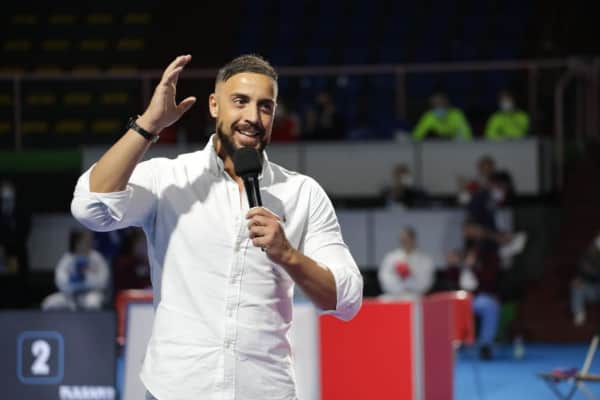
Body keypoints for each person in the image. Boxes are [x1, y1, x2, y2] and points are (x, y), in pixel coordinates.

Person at [71, 54, 363, 400]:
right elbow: (90, 207)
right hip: (176, 390)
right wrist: (149, 124)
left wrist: (288, 255)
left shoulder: (302, 193)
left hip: (265, 391)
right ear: (214, 105)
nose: (252, 117)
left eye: (265, 106)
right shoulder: (170, 178)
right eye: (240, 101)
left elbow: (347, 299)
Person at [440, 249, 500, 360]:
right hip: (456, 300)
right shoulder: (454, 270)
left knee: (490, 305)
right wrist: (452, 266)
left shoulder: (480, 270)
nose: (470, 259)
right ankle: (454, 343)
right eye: (468, 257)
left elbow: (487, 285)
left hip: (474, 299)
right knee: (448, 307)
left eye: (473, 258)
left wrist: (473, 269)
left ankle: (485, 344)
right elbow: (447, 286)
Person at [42, 229, 110, 310]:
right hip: (69, 295)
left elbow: (103, 282)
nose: (86, 244)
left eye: (88, 241)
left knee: (92, 303)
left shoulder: (97, 258)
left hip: (90, 294)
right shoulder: (67, 259)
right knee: (49, 303)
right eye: (83, 241)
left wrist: (87, 276)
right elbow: (60, 282)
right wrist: (73, 279)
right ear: (76, 242)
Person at [378, 227, 434, 298]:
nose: (405, 242)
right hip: (394, 294)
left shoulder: (425, 260)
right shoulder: (391, 258)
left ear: (413, 240)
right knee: (382, 299)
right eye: (403, 240)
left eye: (408, 239)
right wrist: (399, 285)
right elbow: (384, 278)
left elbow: (426, 283)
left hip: (415, 295)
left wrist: (410, 275)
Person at [571, 232, 600, 326]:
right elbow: (583, 271)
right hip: (594, 289)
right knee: (576, 285)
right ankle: (579, 313)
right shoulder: (589, 255)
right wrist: (580, 279)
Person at [113, 227, 152, 294]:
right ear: (134, 244)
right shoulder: (124, 266)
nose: (144, 249)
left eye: (146, 245)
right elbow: (123, 292)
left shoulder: (159, 265)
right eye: (140, 244)